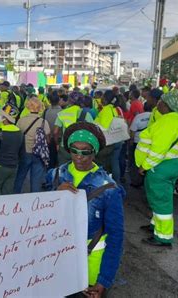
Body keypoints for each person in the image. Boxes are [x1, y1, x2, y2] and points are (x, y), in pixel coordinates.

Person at [45, 122, 125, 297]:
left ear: (95, 152)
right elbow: (42, 214)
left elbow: (116, 237)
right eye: (74, 150)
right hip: (58, 263)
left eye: (86, 152)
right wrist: (55, 195)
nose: (79, 157)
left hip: (89, 270)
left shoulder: (109, 189)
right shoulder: (56, 175)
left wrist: (104, 280)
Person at [136, 90, 178, 247]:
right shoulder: (176, 120)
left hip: (161, 166)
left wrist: (144, 166)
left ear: (167, 105)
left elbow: (157, 150)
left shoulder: (168, 122)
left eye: (161, 102)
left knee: (161, 201)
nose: (157, 104)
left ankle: (163, 237)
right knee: (160, 198)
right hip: (172, 163)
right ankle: (155, 226)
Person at [14, 98, 51, 193]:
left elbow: (17, 135)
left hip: (24, 152)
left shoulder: (21, 121)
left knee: (20, 177)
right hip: (38, 153)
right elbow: (47, 139)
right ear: (39, 108)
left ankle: (15, 195)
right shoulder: (43, 122)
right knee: (36, 180)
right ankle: (35, 200)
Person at [53, 91, 94, 165]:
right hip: (81, 149)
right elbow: (92, 132)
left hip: (65, 147)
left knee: (63, 170)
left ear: (69, 101)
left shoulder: (63, 113)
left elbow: (55, 132)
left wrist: (57, 144)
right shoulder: (87, 115)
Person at [129, 104, 152, 188]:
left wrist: (131, 140)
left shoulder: (139, 117)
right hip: (150, 142)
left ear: (143, 108)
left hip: (138, 142)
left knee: (136, 162)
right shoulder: (154, 117)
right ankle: (146, 181)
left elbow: (133, 130)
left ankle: (136, 181)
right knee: (147, 160)